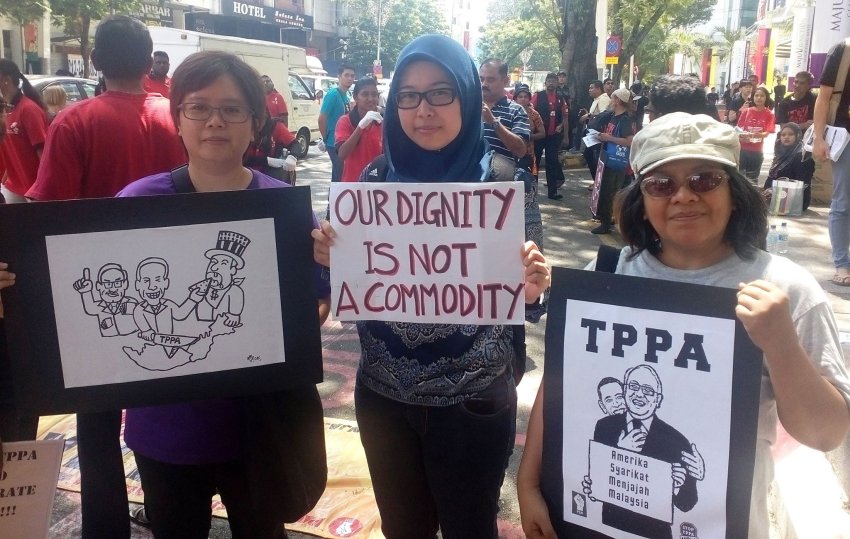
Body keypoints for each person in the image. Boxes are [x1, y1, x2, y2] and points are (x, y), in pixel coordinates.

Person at [517, 112, 850, 539]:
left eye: (704, 179)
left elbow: (825, 434)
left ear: (735, 191)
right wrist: (528, 484)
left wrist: (782, 345)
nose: (683, 196)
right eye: (661, 184)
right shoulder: (607, 275)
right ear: (642, 198)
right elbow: (559, 389)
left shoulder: (784, 290)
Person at [312, 34, 551, 539]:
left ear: (466, 96)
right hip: (383, 398)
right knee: (403, 528)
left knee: (469, 528)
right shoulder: (374, 183)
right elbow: (352, 287)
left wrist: (534, 288)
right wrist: (333, 258)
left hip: (474, 403)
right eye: (409, 94)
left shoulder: (506, 184)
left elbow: (529, 302)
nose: (424, 109)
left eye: (441, 92)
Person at [119, 50, 330, 538]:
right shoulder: (135, 204)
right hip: (166, 427)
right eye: (199, 107)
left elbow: (318, 303)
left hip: (259, 429)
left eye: (233, 109)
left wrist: (293, 318)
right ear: (177, 119)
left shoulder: (286, 209)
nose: (215, 121)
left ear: (255, 122)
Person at [26, 15, 186, 538]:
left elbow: (45, 213)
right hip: (172, 283)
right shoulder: (179, 118)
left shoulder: (74, 122)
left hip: (104, 292)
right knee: (175, 405)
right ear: (149, 62)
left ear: (95, 61)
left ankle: (106, 526)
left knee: (96, 421)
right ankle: (174, 512)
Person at [813, 40, 850, 286]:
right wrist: (818, 137)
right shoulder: (843, 50)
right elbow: (823, 97)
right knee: (843, 201)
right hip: (845, 136)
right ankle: (842, 264)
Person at [0, 59, 48, 203]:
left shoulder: (29, 109)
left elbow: (44, 154)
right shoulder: (6, 110)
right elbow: (15, 147)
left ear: (6, 80)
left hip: (33, 189)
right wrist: (8, 173)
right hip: (13, 187)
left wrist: (42, 189)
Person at [591, 88, 635, 234]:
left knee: (610, 191)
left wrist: (608, 138)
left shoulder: (625, 120)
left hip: (616, 161)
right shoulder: (613, 116)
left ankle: (606, 223)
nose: (610, 100)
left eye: (613, 98)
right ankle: (605, 217)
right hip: (607, 158)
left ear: (617, 100)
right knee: (604, 189)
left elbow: (629, 141)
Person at [479, 58, 529, 174]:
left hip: (500, 185)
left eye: (490, 79)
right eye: (481, 79)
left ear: (505, 81)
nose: (484, 84)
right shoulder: (467, 107)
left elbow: (521, 151)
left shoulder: (516, 111)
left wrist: (493, 122)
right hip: (467, 183)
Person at [334, 76, 383, 182]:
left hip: (377, 185)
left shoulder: (381, 122)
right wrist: (360, 127)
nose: (370, 99)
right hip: (352, 186)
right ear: (356, 97)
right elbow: (342, 154)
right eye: (365, 94)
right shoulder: (345, 121)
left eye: (374, 94)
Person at [532, 73, 568, 199]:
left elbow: (565, 116)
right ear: (545, 82)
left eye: (554, 80)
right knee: (535, 162)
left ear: (557, 83)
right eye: (549, 80)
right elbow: (530, 113)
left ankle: (552, 192)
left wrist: (563, 130)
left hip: (553, 136)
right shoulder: (538, 96)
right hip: (539, 135)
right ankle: (533, 191)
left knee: (552, 163)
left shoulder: (560, 98)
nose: (551, 83)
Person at [318, 64, 356, 182]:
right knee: (339, 176)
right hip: (333, 142)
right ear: (339, 77)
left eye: (352, 76)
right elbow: (322, 118)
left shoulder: (346, 95)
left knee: (341, 174)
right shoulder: (333, 94)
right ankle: (333, 200)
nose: (349, 78)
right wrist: (325, 138)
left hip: (343, 141)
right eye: (346, 75)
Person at [764, 123, 814, 210]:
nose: (786, 137)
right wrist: (769, 189)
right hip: (780, 193)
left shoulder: (802, 155)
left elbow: (802, 182)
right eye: (783, 135)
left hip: (796, 200)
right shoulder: (779, 151)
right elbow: (772, 176)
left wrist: (776, 190)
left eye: (791, 134)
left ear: (797, 136)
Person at [736, 86, 775, 183]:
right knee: (738, 179)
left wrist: (753, 135)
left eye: (762, 96)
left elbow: (766, 133)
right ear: (753, 97)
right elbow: (738, 129)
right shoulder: (746, 111)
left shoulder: (769, 114)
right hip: (742, 150)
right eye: (756, 95)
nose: (759, 98)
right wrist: (742, 135)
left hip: (757, 152)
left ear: (766, 98)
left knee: (752, 180)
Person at [514, 85, 545, 176]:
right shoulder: (510, 111)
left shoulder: (534, 114)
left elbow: (542, 133)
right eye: (520, 97)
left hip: (528, 153)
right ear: (515, 99)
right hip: (511, 152)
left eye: (525, 97)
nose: (523, 99)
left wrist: (528, 136)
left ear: (529, 99)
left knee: (529, 180)